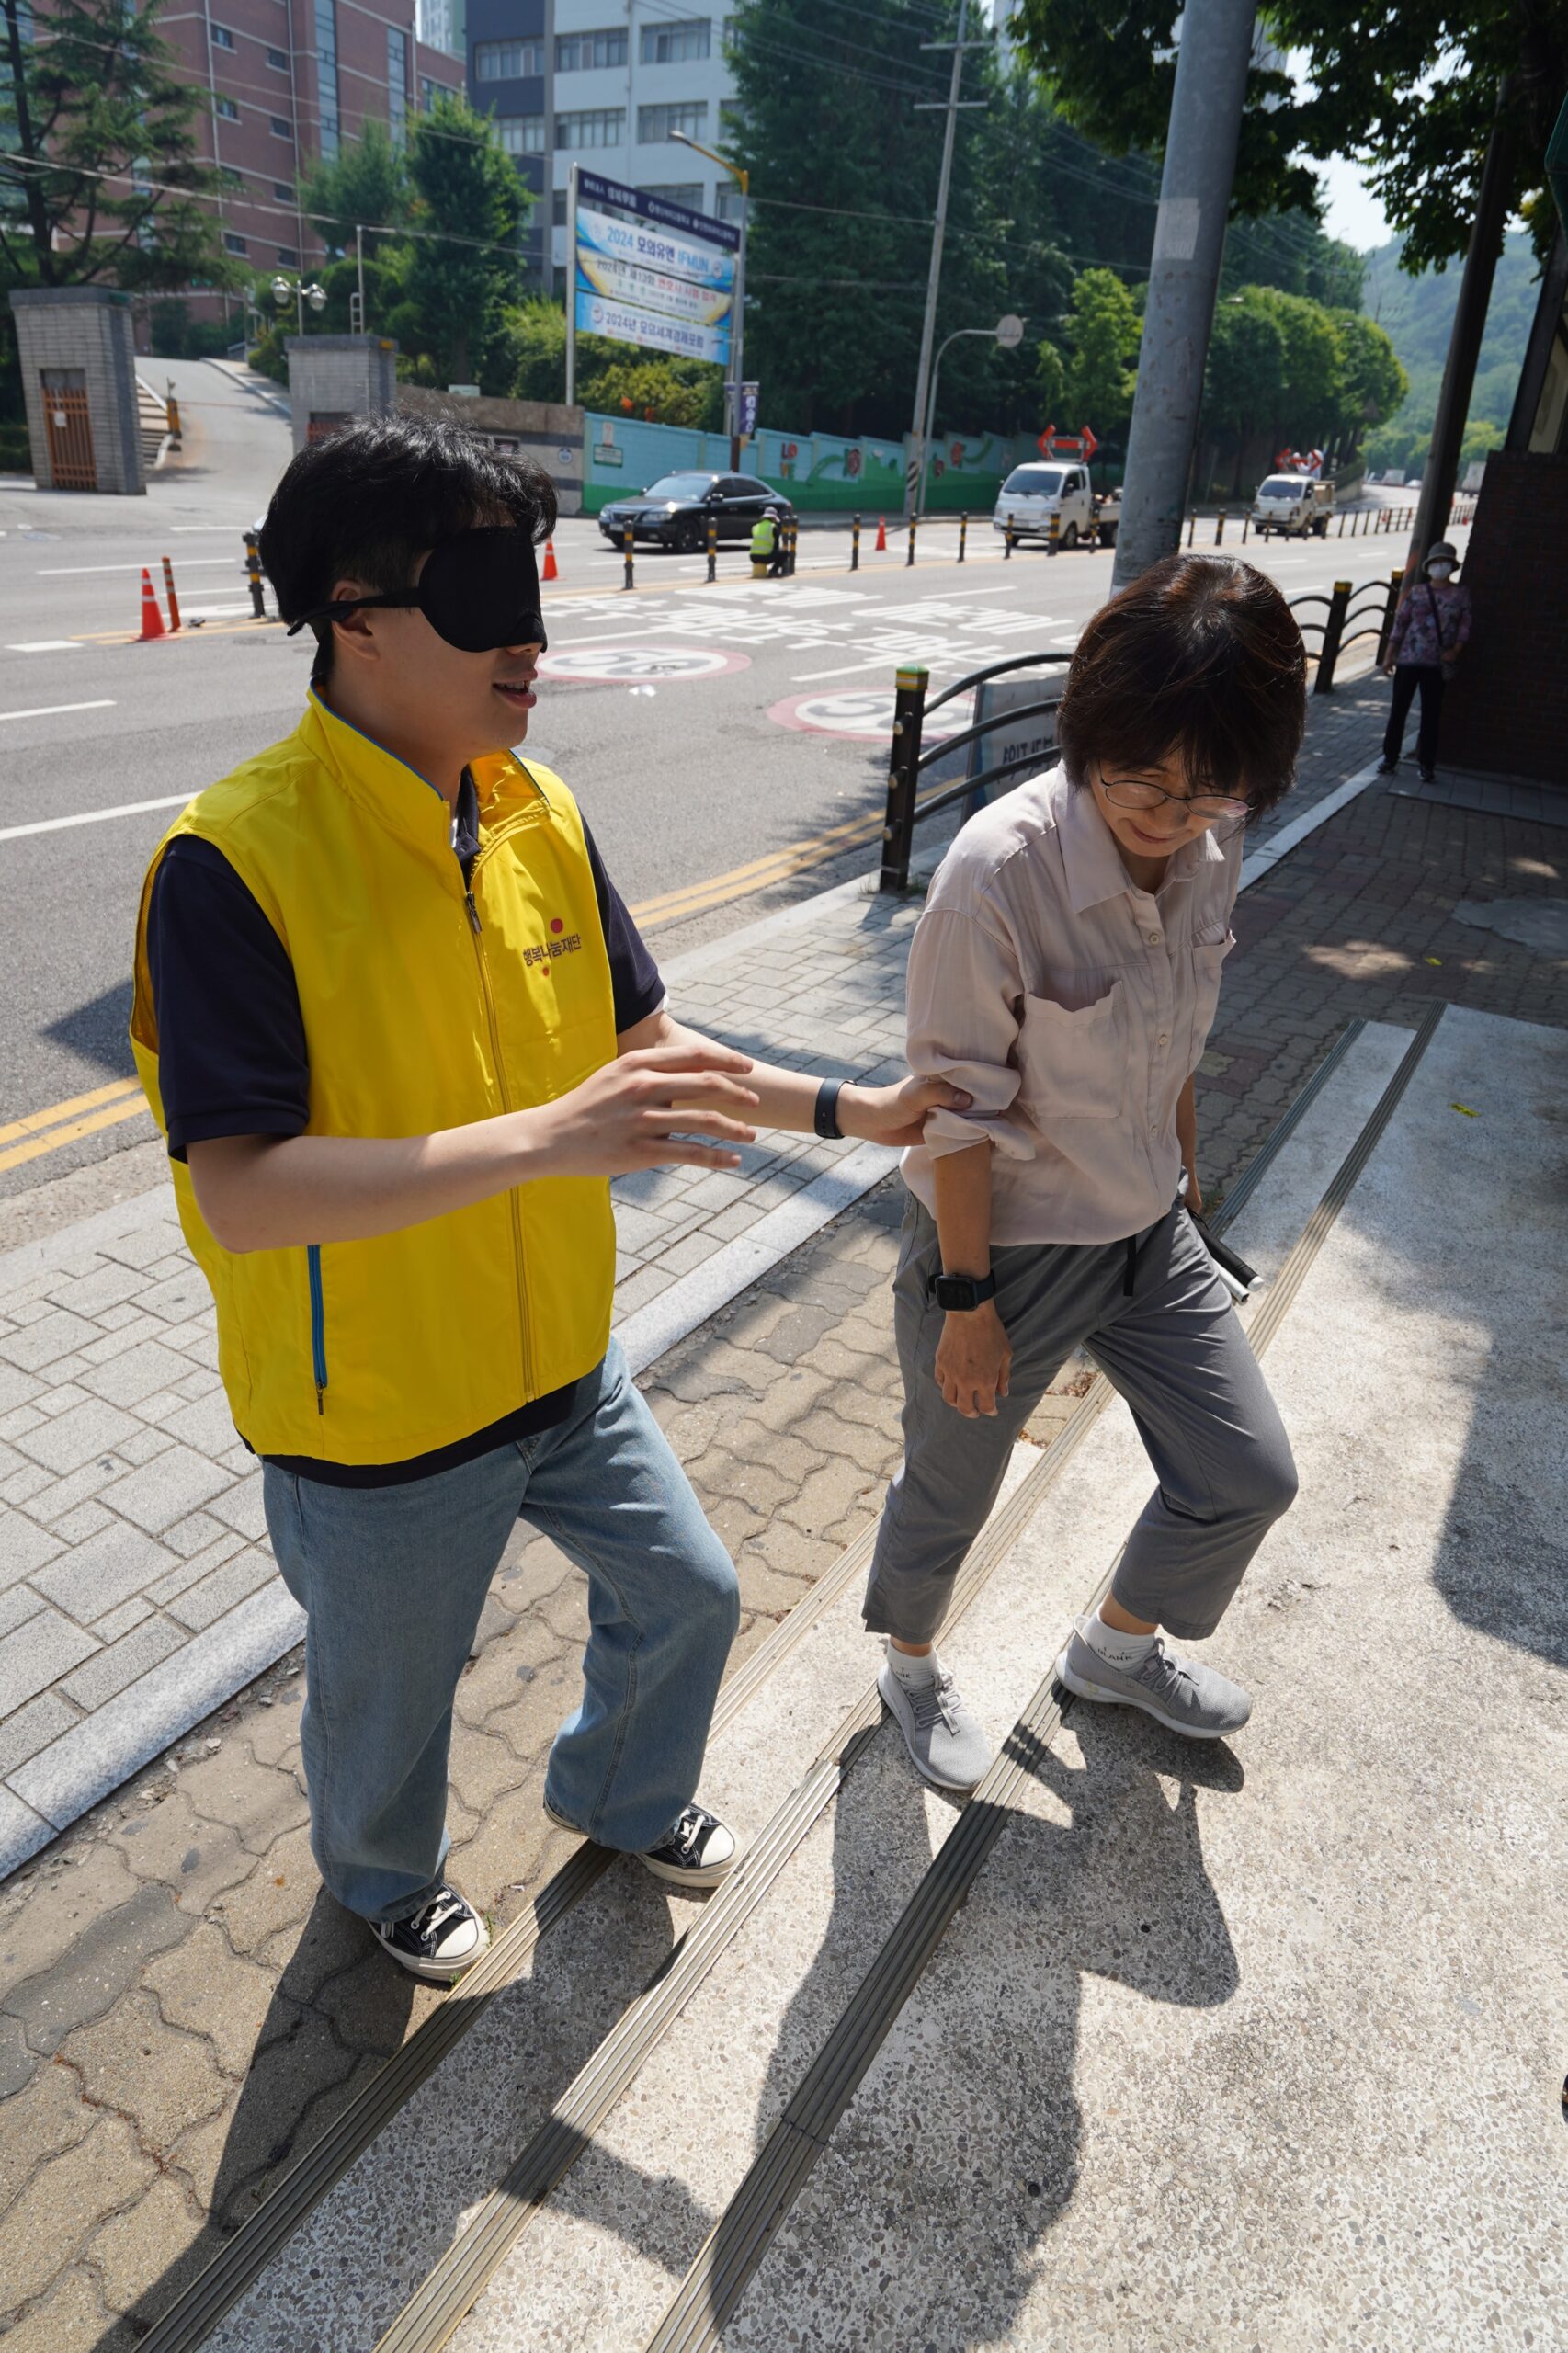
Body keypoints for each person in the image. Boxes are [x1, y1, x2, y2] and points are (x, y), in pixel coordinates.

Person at [130, 415, 963, 1980]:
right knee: (390, 1695)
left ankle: (617, 1788)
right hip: (371, 1414)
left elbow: (645, 1054)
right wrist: (544, 1141)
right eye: (482, 586)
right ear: (355, 619)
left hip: (562, 1363)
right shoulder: (232, 865)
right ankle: (381, 1876)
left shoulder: (534, 812)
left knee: (691, 1594)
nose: (529, 632)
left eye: (536, 578)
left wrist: (858, 1110)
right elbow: (243, 1196)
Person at [865, 553, 1306, 1793]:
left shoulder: (1209, 851)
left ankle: (1115, 1650)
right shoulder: (995, 876)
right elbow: (949, 1115)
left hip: (1144, 1225)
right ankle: (905, 1665)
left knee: (1243, 1474)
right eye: (1140, 778)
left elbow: (1174, 1027)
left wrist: (1185, 1174)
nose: (1166, 814)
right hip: (1002, 1245)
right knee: (950, 1492)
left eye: (1208, 788)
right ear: (1088, 730)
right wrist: (966, 1303)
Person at [1377, 539, 1471, 783]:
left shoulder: (1459, 595)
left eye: (1445, 562)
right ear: (1430, 565)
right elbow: (1401, 624)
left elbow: (1464, 626)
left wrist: (1456, 651)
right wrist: (1389, 656)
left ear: (1452, 565)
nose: (1440, 566)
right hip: (1408, 659)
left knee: (1431, 715)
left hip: (1437, 664)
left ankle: (1427, 763)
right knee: (1398, 711)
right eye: (1437, 562)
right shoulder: (1417, 592)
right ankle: (1389, 758)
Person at [751, 506, 782, 578]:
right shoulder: (773, 527)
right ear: (774, 518)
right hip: (765, 557)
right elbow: (776, 545)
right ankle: (774, 571)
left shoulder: (756, 526)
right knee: (784, 553)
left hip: (753, 557)